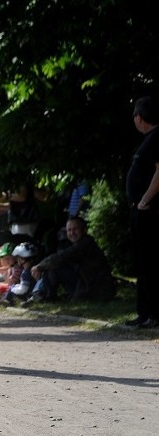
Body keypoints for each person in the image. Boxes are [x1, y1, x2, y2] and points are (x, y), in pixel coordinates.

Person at [124, 96, 159, 328]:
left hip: (149, 211)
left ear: (139, 117)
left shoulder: (158, 137)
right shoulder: (149, 139)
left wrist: (145, 199)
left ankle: (154, 314)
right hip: (140, 210)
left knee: (151, 262)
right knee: (142, 263)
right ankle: (144, 312)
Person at [26, 216, 116, 305]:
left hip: (96, 289)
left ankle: (45, 296)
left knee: (54, 266)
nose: (72, 233)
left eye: (75, 229)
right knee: (53, 266)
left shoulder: (85, 244)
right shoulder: (76, 243)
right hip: (86, 283)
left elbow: (61, 257)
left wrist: (38, 267)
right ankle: (42, 295)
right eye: (69, 230)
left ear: (84, 230)